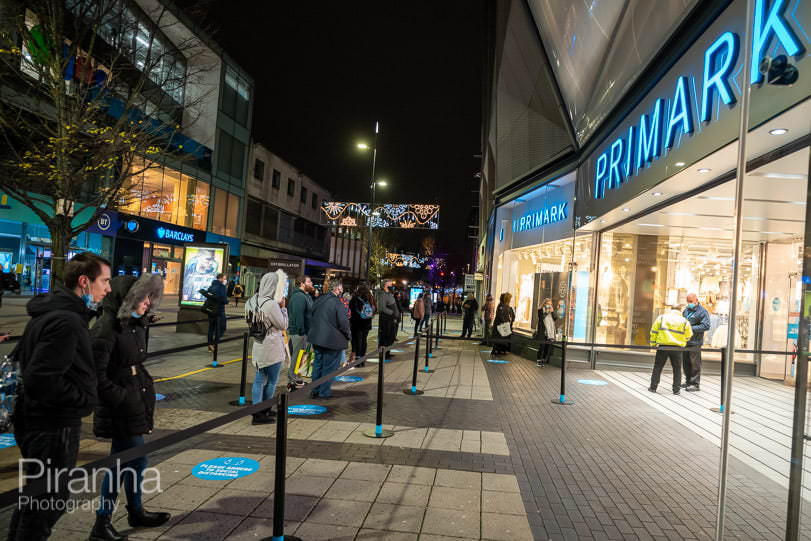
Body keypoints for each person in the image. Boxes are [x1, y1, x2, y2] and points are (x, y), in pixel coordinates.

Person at [8, 252, 111, 541]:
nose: (108, 288)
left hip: (40, 420)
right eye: (104, 281)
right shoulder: (66, 321)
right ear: (84, 282)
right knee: (48, 500)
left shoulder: (54, 314)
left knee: (38, 497)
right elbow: (42, 377)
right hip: (52, 424)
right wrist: (81, 399)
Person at [89, 274, 170, 541]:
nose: (148, 302)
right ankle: (103, 522)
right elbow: (96, 376)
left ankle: (134, 510)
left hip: (133, 398)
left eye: (149, 297)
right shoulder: (106, 327)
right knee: (127, 462)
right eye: (143, 297)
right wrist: (123, 398)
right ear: (128, 298)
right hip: (121, 405)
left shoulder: (131, 325)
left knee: (131, 461)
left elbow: (136, 358)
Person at [245, 271, 289, 425]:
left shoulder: (250, 301)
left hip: (258, 345)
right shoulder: (271, 304)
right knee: (272, 381)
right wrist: (283, 308)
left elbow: (250, 321)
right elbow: (283, 325)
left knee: (259, 379)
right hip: (272, 347)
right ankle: (265, 410)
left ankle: (257, 411)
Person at [308, 279, 350, 399]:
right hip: (332, 340)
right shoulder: (337, 303)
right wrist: (348, 335)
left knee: (318, 365)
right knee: (329, 367)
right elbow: (343, 323)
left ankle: (315, 390)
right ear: (337, 288)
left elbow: (311, 315)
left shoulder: (319, 299)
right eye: (341, 288)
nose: (342, 290)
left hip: (316, 338)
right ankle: (324, 392)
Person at [649, 305, 693, 395]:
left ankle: (653, 387)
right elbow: (689, 335)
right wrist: (683, 341)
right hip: (677, 348)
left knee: (658, 367)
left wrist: (653, 344)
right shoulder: (684, 321)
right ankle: (676, 390)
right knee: (677, 369)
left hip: (663, 346)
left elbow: (653, 331)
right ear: (680, 310)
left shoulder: (661, 318)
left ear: (670, 309)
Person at [287, 275, 314, 388]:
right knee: (297, 355)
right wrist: (301, 331)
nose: (311, 283)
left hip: (305, 332)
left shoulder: (306, 296)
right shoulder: (299, 297)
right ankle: (293, 377)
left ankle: (298, 377)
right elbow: (298, 316)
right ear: (302, 284)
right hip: (299, 333)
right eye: (309, 281)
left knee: (302, 356)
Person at [682, 293, 710, 392]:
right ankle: (688, 381)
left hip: (695, 342)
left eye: (691, 302)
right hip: (685, 341)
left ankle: (695, 384)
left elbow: (706, 326)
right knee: (686, 363)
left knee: (695, 363)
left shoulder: (702, 311)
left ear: (696, 300)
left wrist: (690, 328)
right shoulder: (686, 310)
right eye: (688, 301)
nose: (689, 303)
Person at [349, 283, 375, 367]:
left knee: (357, 341)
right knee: (364, 340)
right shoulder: (370, 297)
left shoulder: (355, 298)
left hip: (357, 323)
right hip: (367, 323)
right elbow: (375, 309)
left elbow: (351, 309)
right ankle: (362, 360)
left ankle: (358, 360)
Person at [377, 279, 400, 358]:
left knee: (390, 335)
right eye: (390, 283)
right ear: (385, 284)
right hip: (386, 318)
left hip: (390, 318)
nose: (391, 284)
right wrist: (392, 313)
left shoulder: (389, 293)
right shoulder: (382, 294)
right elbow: (382, 307)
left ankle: (387, 352)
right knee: (385, 336)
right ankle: (383, 353)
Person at [205, 273, 228, 352]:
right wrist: (226, 301)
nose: (225, 280)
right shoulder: (222, 287)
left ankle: (209, 345)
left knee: (211, 328)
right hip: (219, 310)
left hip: (211, 309)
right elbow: (223, 299)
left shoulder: (212, 286)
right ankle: (214, 344)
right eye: (224, 279)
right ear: (221, 278)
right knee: (221, 328)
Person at [536, 298, 556, 367]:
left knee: (547, 347)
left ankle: (543, 360)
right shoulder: (540, 310)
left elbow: (555, 318)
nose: (549, 305)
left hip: (549, 332)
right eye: (548, 304)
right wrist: (547, 312)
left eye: (550, 304)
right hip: (543, 331)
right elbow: (541, 318)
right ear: (544, 304)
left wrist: (552, 312)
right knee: (542, 346)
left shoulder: (551, 311)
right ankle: (538, 360)